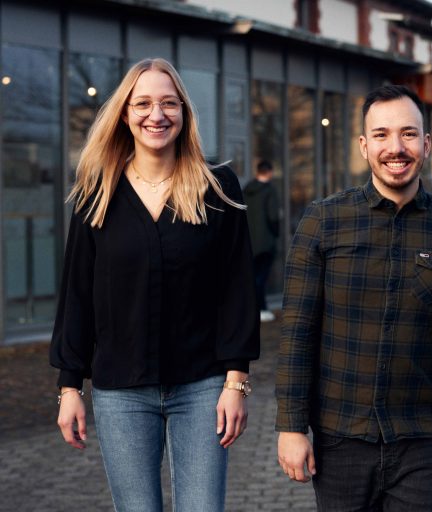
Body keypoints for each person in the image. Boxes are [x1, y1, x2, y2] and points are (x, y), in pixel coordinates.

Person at [50, 58, 260, 512]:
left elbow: (237, 289)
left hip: (203, 387)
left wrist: (236, 382)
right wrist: (70, 388)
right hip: (120, 392)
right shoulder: (97, 190)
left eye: (169, 103)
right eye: (142, 103)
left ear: (184, 113)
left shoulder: (217, 187)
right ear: (125, 114)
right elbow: (77, 295)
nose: (156, 114)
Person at [275, 84, 432, 511]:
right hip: (340, 439)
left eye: (409, 134)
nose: (396, 147)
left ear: (427, 144)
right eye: (382, 135)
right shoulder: (323, 222)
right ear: (363, 145)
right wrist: (291, 426)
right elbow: (298, 331)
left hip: (421, 442)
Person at [243, 159, 280, 322]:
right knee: (261, 278)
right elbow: (273, 217)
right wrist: (276, 233)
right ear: (270, 172)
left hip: (249, 242)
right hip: (265, 243)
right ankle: (262, 308)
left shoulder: (246, 190)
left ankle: (251, 309)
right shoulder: (269, 191)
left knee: (251, 277)